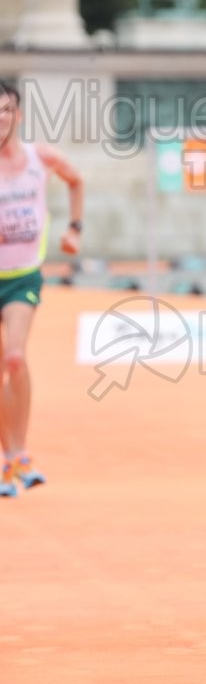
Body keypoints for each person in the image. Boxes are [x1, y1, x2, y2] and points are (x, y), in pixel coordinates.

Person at [0, 81, 84, 497]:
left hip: (22, 277)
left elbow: (76, 181)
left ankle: (20, 453)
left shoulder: (40, 158)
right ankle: (6, 460)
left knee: (14, 358)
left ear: (17, 115)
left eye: (5, 110)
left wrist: (74, 228)